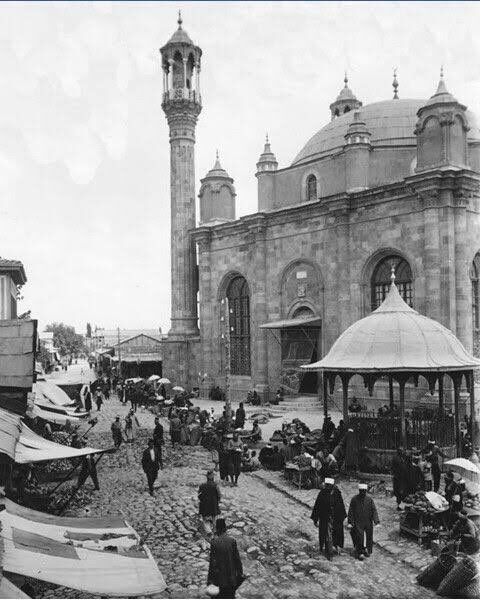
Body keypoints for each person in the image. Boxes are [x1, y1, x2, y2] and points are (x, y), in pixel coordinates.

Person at [311, 478, 347, 560]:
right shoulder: (322, 493)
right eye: (327, 485)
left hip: (336, 518)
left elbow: (341, 505)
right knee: (328, 535)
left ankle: (335, 546)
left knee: (336, 533)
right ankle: (329, 552)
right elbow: (317, 506)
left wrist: (342, 516)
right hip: (326, 518)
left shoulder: (337, 493)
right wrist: (315, 518)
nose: (328, 487)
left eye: (329, 486)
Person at [207, 518, 244, 599]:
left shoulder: (214, 543)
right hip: (231, 580)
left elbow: (213, 564)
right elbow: (237, 559)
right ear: (225, 528)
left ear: (217, 529)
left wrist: (209, 581)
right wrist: (240, 573)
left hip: (219, 581)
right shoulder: (232, 541)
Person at [348, 483, 380, 560]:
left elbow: (374, 510)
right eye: (361, 491)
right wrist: (350, 522)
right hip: (358, 521)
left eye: (364, 491)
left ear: (366, 491)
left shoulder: (369, 499)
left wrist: (376, 521)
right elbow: (351, 511)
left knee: (369, 537)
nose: (363, 492)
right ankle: (360, 552)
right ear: (359, 491)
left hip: (368, 521)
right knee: (359, 537)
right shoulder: (354, 499)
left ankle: (368, 550)